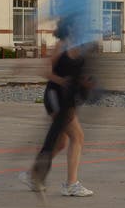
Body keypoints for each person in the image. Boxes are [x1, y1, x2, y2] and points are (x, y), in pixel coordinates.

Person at [22, 20, 94, 198]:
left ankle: (32, 174)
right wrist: (62, 81)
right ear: (70, 27)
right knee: (77, 137)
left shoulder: (80, 48)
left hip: (68, 100)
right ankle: (71, 184)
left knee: (61, 143)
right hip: (55, 97)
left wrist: (85, 84)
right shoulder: (60, 46)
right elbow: (44, 71)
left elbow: (79, 76)